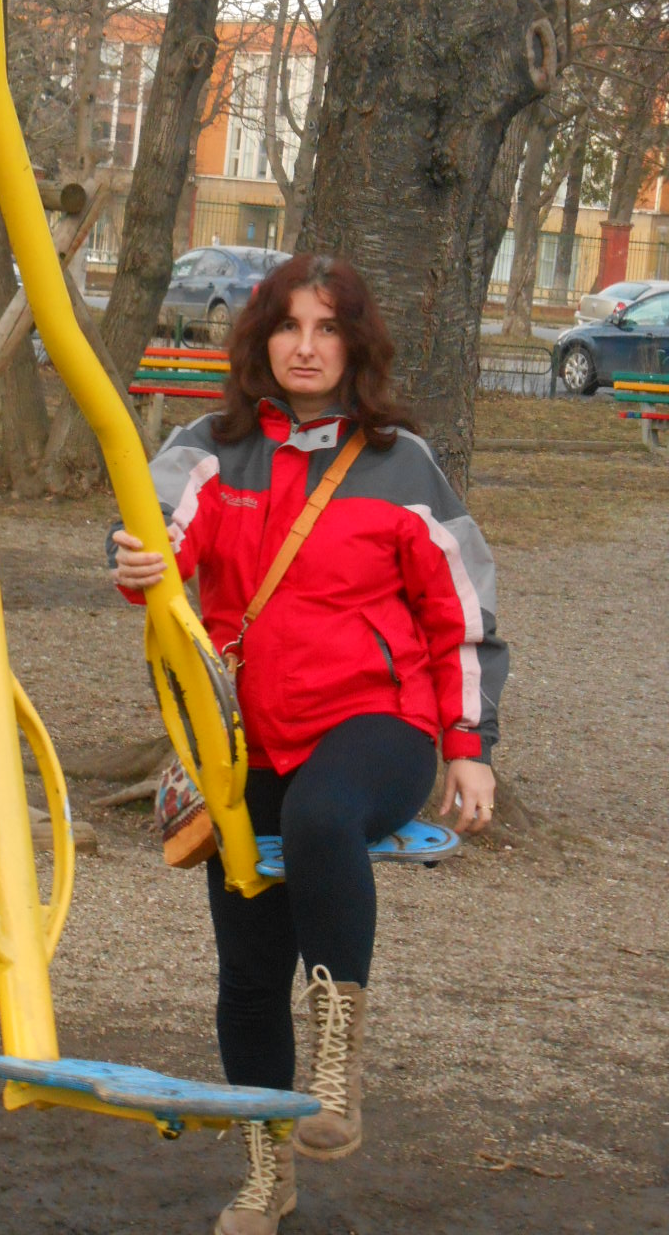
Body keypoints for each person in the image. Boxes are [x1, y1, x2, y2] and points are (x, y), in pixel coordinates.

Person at [108, 254, 506, 1235]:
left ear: (356, 346)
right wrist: (140, 559)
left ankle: (336, 1068)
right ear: (260, 340)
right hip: (249, 743)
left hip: (379, 724)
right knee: (248, 975)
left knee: (326, 817)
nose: (306, 346)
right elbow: (157, 539)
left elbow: (461, 617)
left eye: (328, 329)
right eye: (288, 326)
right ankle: (265, 1174)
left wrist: (468, 745)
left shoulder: (403, 466)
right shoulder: (211, 450)